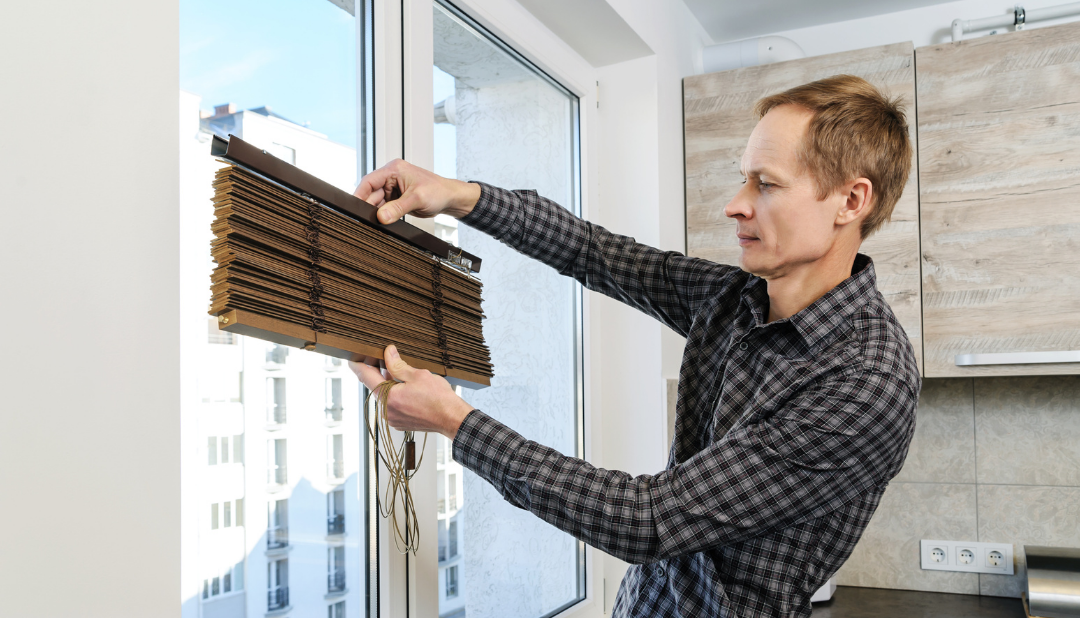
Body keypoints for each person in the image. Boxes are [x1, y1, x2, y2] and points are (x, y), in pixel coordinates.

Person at [350, 74, 920, 618]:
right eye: (745, 178)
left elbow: (647, 521)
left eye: (765, 184)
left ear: (851, 201)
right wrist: (458, 195)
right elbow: (592, 252)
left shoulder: (867, 381)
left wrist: (456, 422)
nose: (736, 204)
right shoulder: (735, 298)